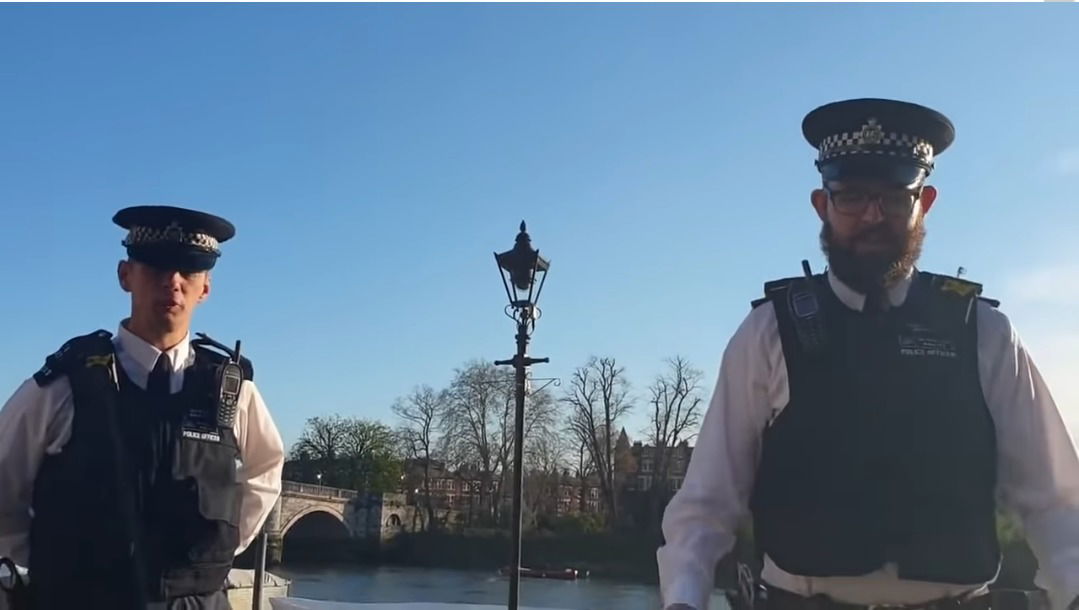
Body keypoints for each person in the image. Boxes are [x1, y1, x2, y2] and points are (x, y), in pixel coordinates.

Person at [656, 99, 1079, 610]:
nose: (873, 216)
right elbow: (706, 505)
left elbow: (1058, 505)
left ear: (927, 202)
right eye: (853, 196)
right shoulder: (768, 333)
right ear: (821, 204)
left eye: (895, 197)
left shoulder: (984, 334)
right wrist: (683, 599)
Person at [0, 205, 285, 610]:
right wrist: (48, 563)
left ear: (205, 288)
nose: (172, 283)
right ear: (125, 276)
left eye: (188, 271)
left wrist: (219, 547)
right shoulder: (65, 385)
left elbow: (267, 466)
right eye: (155, 268)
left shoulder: (228, 391)